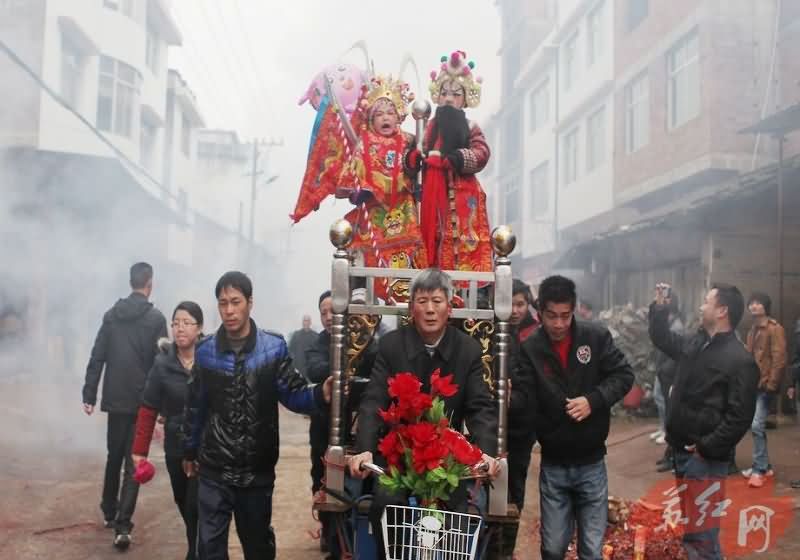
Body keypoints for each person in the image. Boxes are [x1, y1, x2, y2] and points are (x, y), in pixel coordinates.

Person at [348, 268, 500, 558]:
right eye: (422, 301)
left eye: (437, 301)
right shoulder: (392, 345)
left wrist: (486, 453)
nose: (430, 309)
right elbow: (373, 401)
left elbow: (480, 407)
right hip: (399, 454)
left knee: (457, 512)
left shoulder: (467, 349)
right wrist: (365, 449)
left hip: (444, 456)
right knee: (386, 505)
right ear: (411, 307)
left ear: (450, 305)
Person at [183, 271, 332, 560]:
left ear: (250, 303)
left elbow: (293, 392)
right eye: (223, 303)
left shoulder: (272, 349)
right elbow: (196, 405)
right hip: (215, 468)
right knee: (209, 548)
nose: (229, 310)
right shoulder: (206, 352)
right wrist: (189, 449)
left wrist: (318, 394)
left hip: (256, 470)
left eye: (235, 302)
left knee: (258, 547)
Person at [518, 275, 634, 560]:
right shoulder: (530, 348)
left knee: (591, 550)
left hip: (592, 464)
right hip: (554, 465)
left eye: (565, 316)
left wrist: (593, 401)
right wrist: (510, 396)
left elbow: (623, 376)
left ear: (574, 310)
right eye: (551, 316)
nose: (558, 324)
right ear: (539, 312)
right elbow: (525, 400)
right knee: (553, 548)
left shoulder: (595, 337)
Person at [649, 283, 759, 559]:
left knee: (702, 537)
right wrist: (660, 307)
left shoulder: (739, 360)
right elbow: (661, 338)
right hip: (681, 451)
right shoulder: (695, 343)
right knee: (692, 531)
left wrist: (706, 447)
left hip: (705, 459)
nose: (701, 306)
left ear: (722, 311)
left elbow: (740, 417)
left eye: (706, 302)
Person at [82, 262, 168, 549]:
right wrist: (164, 406)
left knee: (114, 456)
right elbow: (162, 364)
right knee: (135, 461)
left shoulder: (111, 316)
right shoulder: (156, 318)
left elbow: (98, 355)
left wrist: (89, 393)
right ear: (149, 284)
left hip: (115, 399)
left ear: (130, 282)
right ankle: (123, 525)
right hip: (142, 401)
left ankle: (109, 509)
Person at [131, 301, 204, 560]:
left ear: (199, 328)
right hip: (176, 444)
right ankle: (196, 545)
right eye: (176, 323)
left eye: (186, 323)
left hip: (207, 447)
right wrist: (139, 452)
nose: (180, 328)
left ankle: (196, 553)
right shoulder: (162, 364)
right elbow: (148, 408)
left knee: (198, 505)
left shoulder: (211, 359)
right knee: (183, 502)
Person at [410, 51, 492, 273]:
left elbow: (482, 153)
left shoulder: (470, 126)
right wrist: (415, 158)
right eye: (444, 93)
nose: (448, 98)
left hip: (461, 195)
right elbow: (418, 153)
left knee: (461, 245)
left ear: (465, 99)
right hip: (429, 196)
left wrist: (456, 159)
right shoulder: (430, 126)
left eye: (455, 94)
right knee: (430, 239)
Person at [742, 292, 787, 488]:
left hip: (765, 384)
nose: (753, 306)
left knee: (756, 425)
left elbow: (780, 358)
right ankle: (764, 465)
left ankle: (759, 470)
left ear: (765, 306)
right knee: (756, 426)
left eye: (758, 303)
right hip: (754, 384)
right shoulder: (752, 330)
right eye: (751, 303)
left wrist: (771, 385)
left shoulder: (774, 329)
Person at [652, 292, 684, 469]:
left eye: (666, 299)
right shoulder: (668, 323)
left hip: (669, 374)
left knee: (672, 413)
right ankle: (671, 453)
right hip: (664, 372)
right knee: (663, 404)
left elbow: (674, 355)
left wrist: (665, 371)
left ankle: (673, 456)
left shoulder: (677, 327)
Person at [288, 314, 317, 378]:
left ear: (310, 322)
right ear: (302, 322)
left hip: (310, 369)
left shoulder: (315, 336)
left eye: (307, 321)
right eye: (304, 321)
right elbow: (290, 351)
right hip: (298, 368)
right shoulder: (296, 335)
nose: (306, 323)